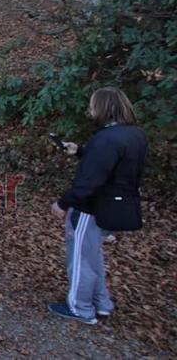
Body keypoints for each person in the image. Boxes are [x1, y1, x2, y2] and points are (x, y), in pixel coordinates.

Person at [47, 87, 147, 325]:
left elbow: (90, 180)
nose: (90, 110)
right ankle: (101, 303)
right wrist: (81, 151)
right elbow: (115, 169)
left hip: (91, 207)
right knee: (93, 256)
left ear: (104, 107)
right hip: (115, 205)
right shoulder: (134, 134)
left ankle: (80, 307)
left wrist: (64, 203)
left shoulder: (105, 139)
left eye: (93, 105)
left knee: (80, 258)